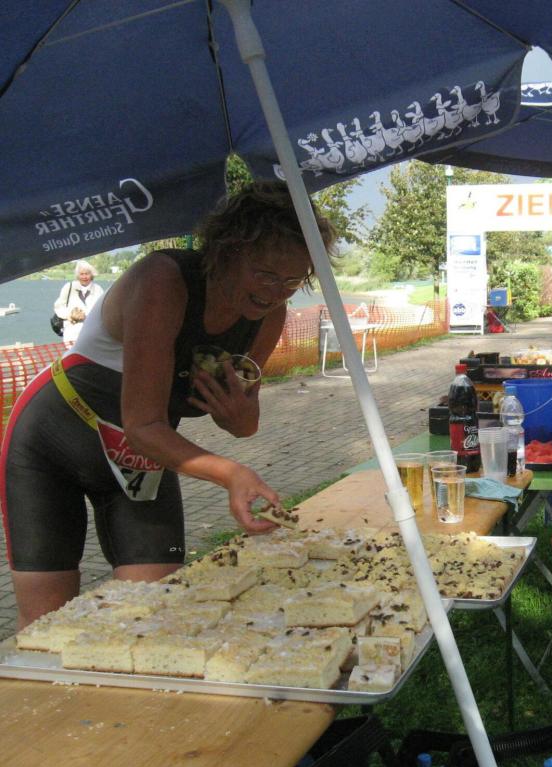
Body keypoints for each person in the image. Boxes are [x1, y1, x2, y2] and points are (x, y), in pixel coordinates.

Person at [1, 182, 335, 629]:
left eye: (294, 280)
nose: (276, 292)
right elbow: (143, 425)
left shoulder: (269, 315)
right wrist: (231, 473)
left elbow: (244, 422)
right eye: (265, 274)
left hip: (140, 459)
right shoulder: (162, 281)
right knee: (46, 625)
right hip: (52, 442)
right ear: (227, 250)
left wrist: (239, 417)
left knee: (154, 612)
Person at [53, 260, 105, 344]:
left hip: (92, 333)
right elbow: (58, 306)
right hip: (71, 332)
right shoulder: (69, 287)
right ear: (77, 275)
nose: (84, 277)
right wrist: (70, 315)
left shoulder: (98, 289)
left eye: (87, 274)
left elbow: (102, 310)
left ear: (91, 275)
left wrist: (86, 316)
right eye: (81, 274)